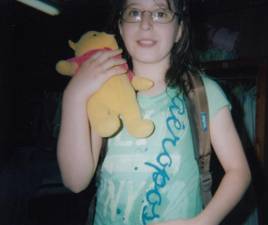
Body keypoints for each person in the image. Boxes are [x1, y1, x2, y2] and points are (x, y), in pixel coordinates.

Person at [57, 0, 252, 224]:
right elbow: (75, 181)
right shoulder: (100, 91)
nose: (146, 23)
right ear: (121, 27)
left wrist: (203, 222)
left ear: (179, 30)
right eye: (135, 12)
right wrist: (74, 96)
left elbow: (239, 171)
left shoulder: (204, 92)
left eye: (160, 13)